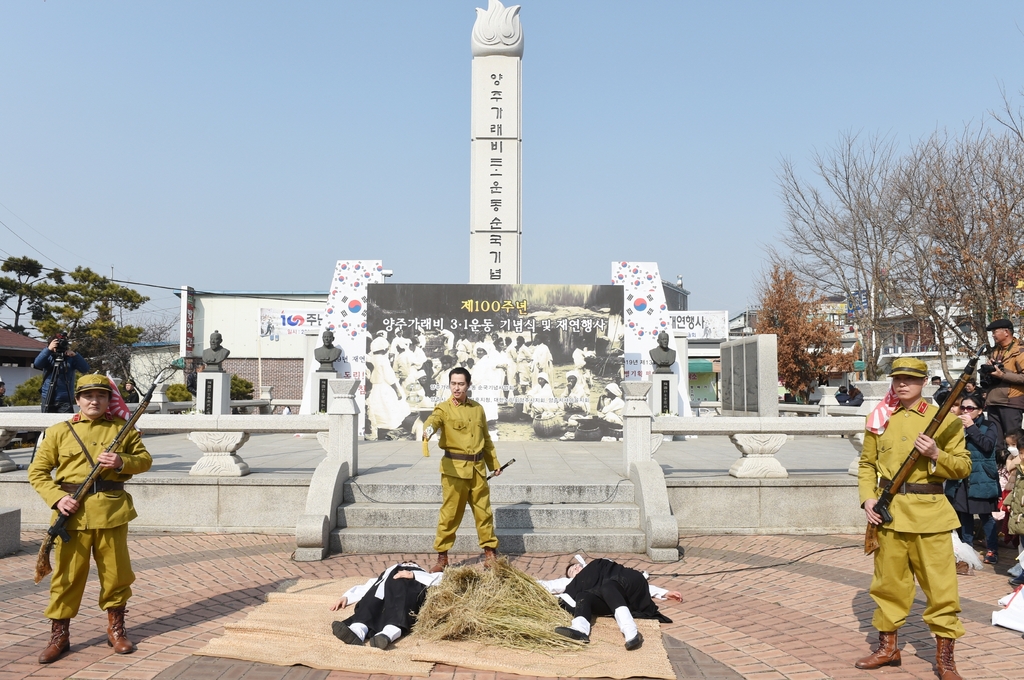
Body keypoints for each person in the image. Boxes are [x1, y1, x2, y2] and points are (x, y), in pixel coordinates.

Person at [856, 357, 970, 678]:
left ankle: (946, 660)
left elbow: (963, 466)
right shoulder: (880, 418)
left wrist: (936, 454)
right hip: (888, 515)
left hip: (930, 515)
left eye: (911, 378)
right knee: (888, 585)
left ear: (925, 383)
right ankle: (888, 649)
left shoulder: (944, 421)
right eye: (897, 378)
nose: (902, 383)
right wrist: (867, 498)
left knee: (941, 588)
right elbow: (866, 464)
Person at [27, 374, 153, 664]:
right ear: (78, 399)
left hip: (111, 512)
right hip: (72, 515)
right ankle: (60, 635)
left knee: (116, 574)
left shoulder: (123, 429)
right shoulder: (59, 431)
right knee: (67, 578)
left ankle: (116, 630)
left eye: (101, 396)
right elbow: (37, 471)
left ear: (109, 400)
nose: (94, 401)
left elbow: (144, 460)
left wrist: (122, 462)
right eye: (88, 396)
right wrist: (57, 498)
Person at [421, 367, 502, 572]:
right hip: (454, 471)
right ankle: (442, 557)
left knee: (484, 513)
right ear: (449, 384)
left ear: (468, 385)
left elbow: (487, 439)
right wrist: (428, 430)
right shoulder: (443, 408)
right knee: (449, 514)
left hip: (477, 470)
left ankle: (489, 553)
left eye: (461, 384)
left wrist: (494, 463)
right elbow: (433, 421)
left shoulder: (477, 409)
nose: (457, 388)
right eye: (453, 383)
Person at [540, 557, 682, 651]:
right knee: (583, 596)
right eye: (572, 571)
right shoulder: (571, 583)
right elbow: (548, 585)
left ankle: (631, 631)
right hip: (605, 597)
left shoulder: (600, 569)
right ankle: (580, 630)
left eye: (577, 566)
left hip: (624, 588)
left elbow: (635, 586)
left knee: (608, 585)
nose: (576, 569)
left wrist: (663, 593)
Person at [330, 562, 443, 650]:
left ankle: (385, 635)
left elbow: (443, 578)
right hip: (382, 593)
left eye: (410, 563)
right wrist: (347, 597)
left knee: (400, 604)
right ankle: (357, 631)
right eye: (406, 563)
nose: (407, 564)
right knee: (371, 601)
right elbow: (369, 585)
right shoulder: (388, 572)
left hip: (407, 588)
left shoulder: (422, 573)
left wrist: (413, 574)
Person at [944, 395, 1001, 565]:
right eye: (963, 408)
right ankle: (966, 550)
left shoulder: (989, 425)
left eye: (970, 408)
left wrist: (971, 427)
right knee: (964, 515)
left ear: (980, 410)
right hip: (961, 477)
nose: (966, 411)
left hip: (981, 477)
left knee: (985, 515)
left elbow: (987, 446)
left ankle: (992, 549)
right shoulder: (955, 425)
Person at [981, 318, 1024, 436]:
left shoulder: (1019, 351)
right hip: (993, 401)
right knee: (996, 442)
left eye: (995, 332)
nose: (993, 335)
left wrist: (1002, 375)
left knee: (1012, 440)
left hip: (1011, 402)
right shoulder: (996, 351)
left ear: (1006, 332)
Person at [366, 337, 411, 440]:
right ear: (384, 349)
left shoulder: (370, 358)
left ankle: (379, 426)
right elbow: (389, 377)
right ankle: (390, 426)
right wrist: (397, 391)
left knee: (376, 408)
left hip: (375, 387)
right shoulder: (383, 360)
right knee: (389, 407)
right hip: (384, 386)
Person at [34, 335, 90, 413]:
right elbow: (37, 364)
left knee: (65, 424)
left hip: (65, 398)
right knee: (47, 422)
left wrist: (75, 356)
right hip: (47, 396)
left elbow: (85, 369)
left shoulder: (70, 358)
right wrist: (48, 350)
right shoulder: (48, 357)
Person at [1005, 428, 1024, 588]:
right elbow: (1017, 488)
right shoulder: (1020, 470)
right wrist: (1009, 501)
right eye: (1021, 453)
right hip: (1019, 515)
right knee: (1022, 544)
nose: (1022, 457)